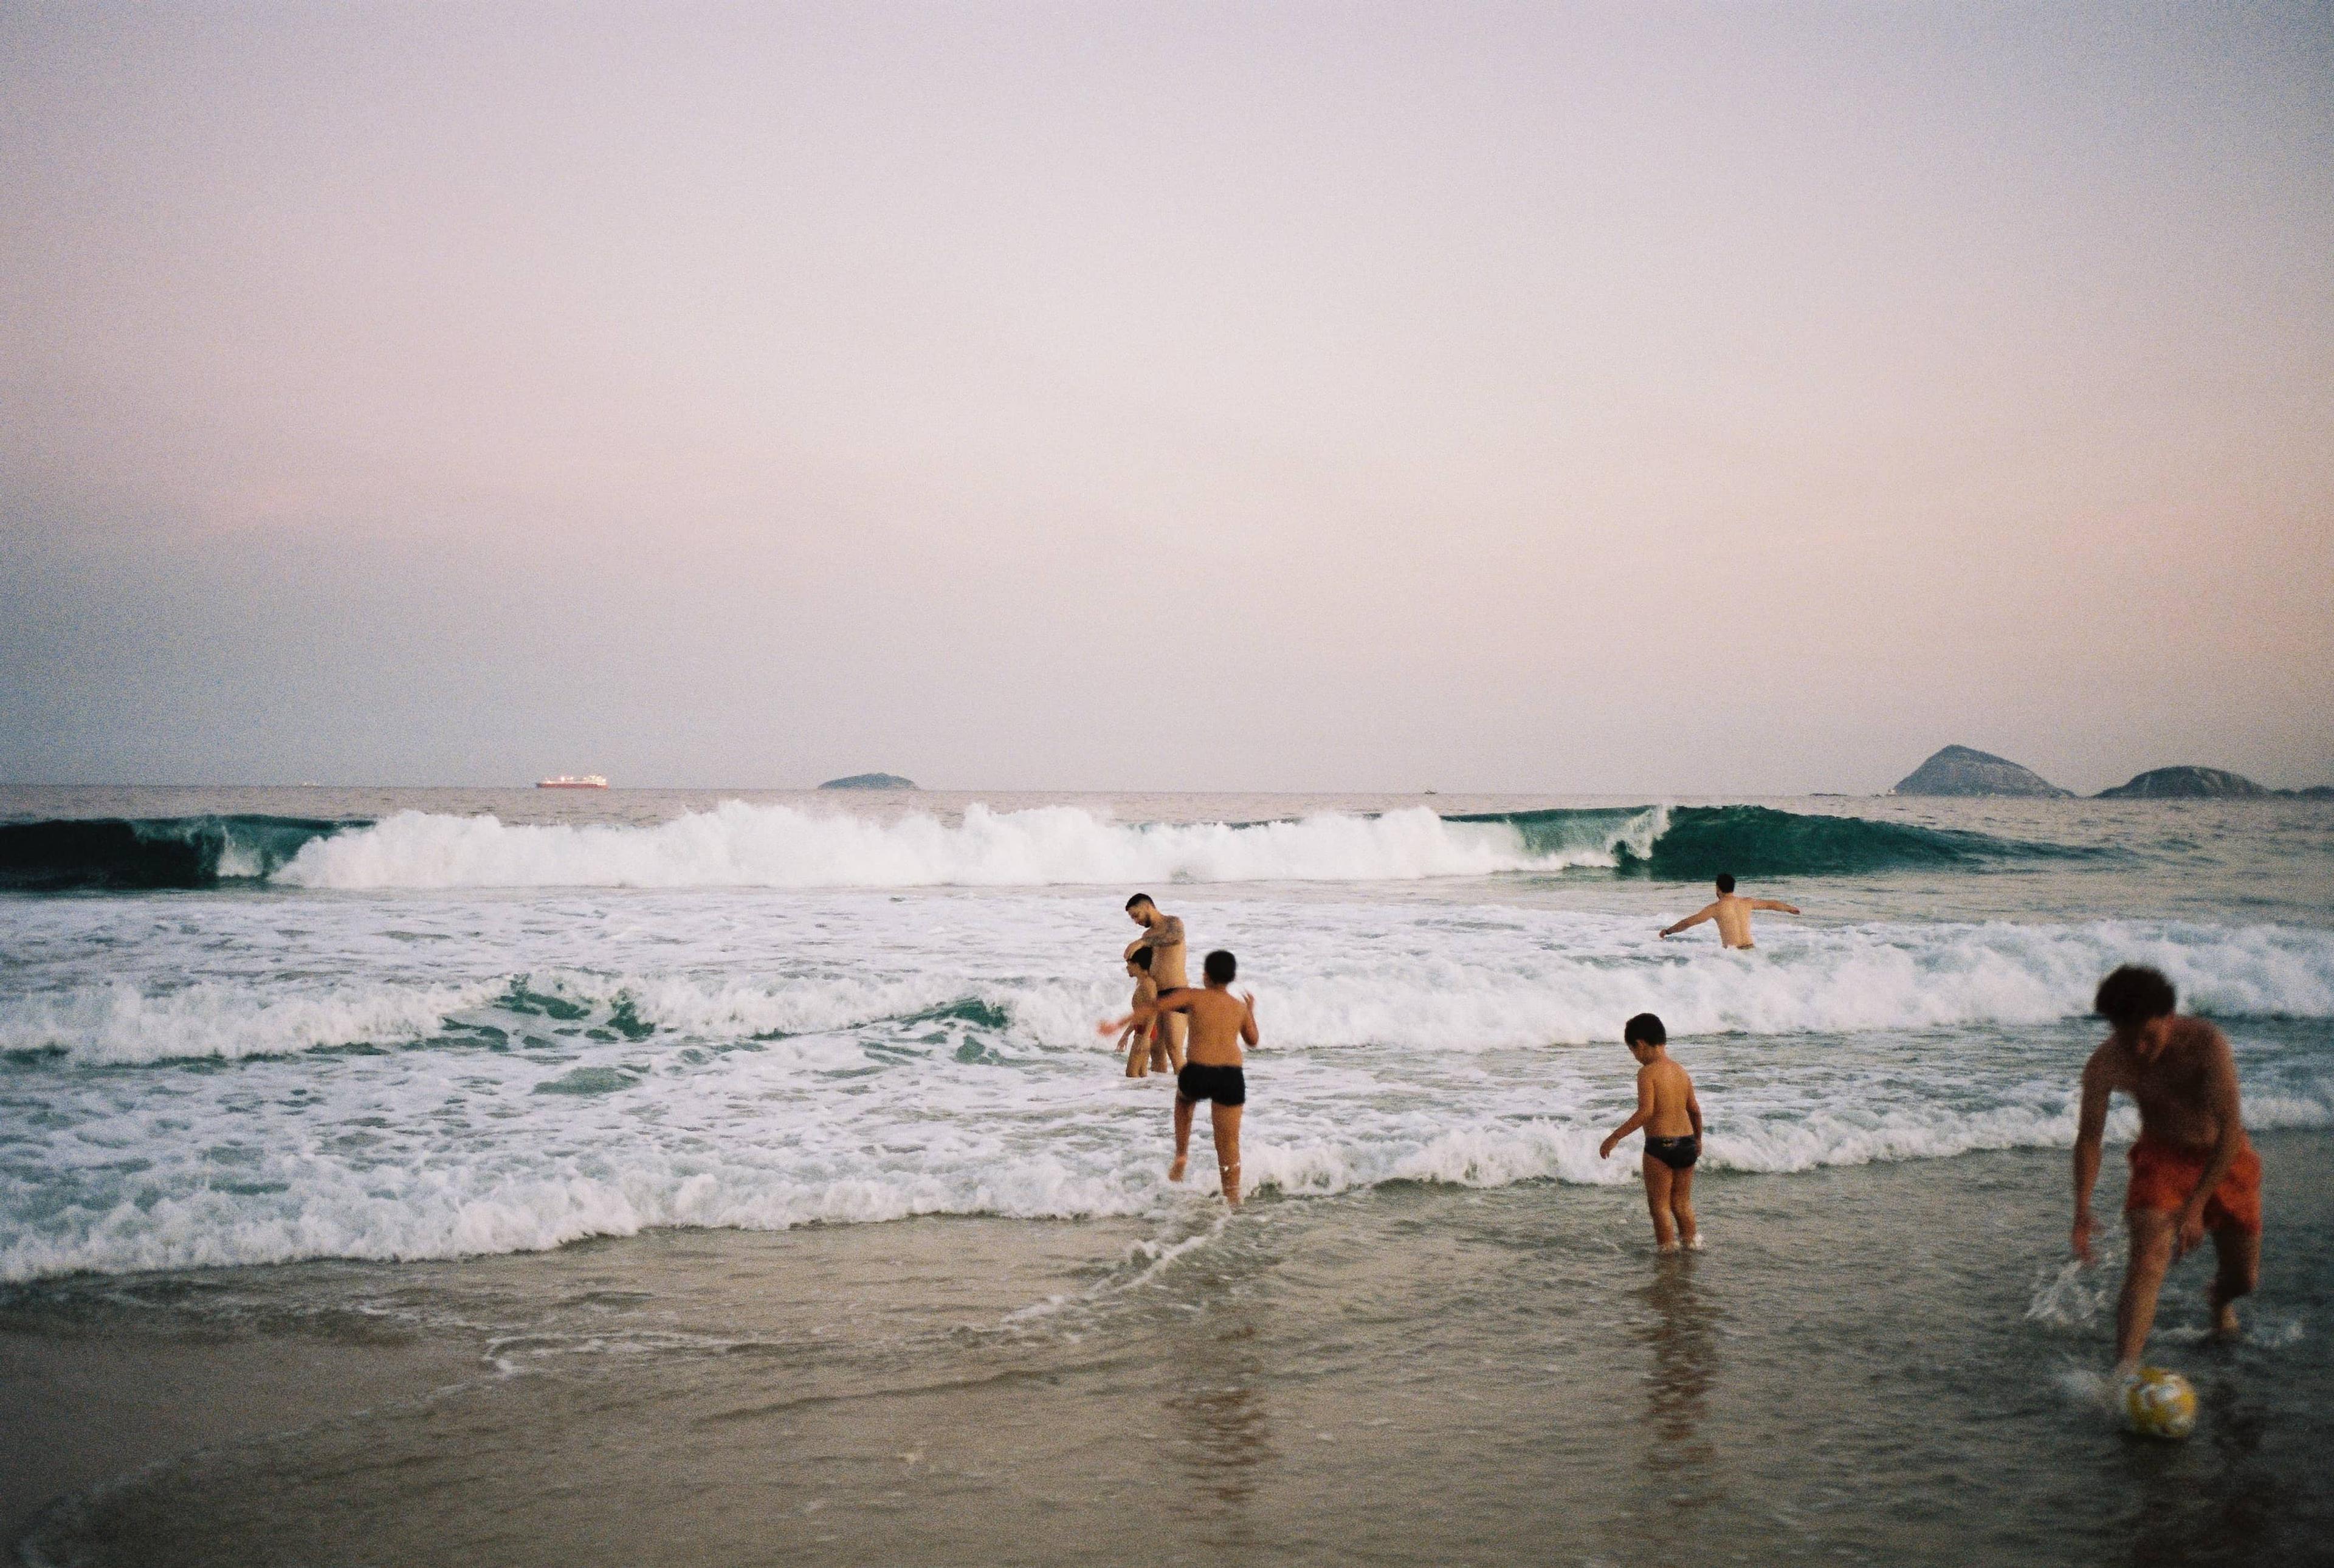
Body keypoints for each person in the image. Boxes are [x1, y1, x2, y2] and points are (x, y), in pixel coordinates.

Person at [2072, 965, 2259, 1375]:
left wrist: (2196, 1206)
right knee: (2148, 1256)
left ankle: (2219, 1300)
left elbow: (2231, 1131)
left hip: (2224, 1159)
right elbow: (2089, 1139)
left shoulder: (2207, 1044)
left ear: (2170, 1018)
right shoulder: (2106, 1063)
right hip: (2161, 1161)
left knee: (2244, 1279)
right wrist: (2082, 1208)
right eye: (2127, 1036)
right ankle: (2124, 1372)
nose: (2138, 1048)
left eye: (2148, 1035)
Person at [1142, 949, 1258, 1207]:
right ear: (1231, 978)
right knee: (1228, 1145)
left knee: (1184, 1100)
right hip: (1230, 1076)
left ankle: (1182, 1154)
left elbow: (1155, 1006)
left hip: (1198, 1071)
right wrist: (1250, 1011)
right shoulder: (1239, 1007)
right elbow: (1253, 1040)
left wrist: (1118, 1025)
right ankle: (1233, 1198)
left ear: (1205, 976)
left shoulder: (1194, 996)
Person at [1599, 1012, 1703, 1252]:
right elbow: (1695, 1111)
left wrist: (1615, 1137)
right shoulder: (1681, 1071)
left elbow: (1646, 1112)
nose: (1635, 1057)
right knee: (1682, 1203)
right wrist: (1698, 1139)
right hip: (1687, 1143)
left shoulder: (1647, 1073)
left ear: (1641, 1045)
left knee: (1660, 1207)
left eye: (1633, 1051)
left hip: (1660, 1145)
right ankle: (1692, 1246)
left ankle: (1667, 1255)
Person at [1124, 893, 1188, 1071]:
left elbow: (1175, 937)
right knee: (1156, 1053)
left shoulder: (1173, 923)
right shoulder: (1148, 934)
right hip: (1156, 995)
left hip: (1176, 992)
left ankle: (1189, 1094)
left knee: (1174, 1050)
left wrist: (1142, 942)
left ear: (1147, 907)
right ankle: (1156, 1096)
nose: (1135, 921)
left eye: (1136, 915)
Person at [1658, 873, 1799, 950]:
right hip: (1752, 951)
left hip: (1734, 956)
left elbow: (1689, 922)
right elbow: (1771, 904)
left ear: (1718, 889)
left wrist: (1668, 931)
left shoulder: (1715, 908)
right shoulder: (1747, 903)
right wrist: (1789, 908)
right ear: (1733, 888)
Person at [1095, 947, 1169, 1078]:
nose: (1127, 968)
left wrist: (1145, 1037)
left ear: (1137, 965)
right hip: (1142, 1031)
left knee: (1131, 1074)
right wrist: (1126, 1035)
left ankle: (1139, 1097)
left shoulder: (1148, 985)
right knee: (1141, 1075)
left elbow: (1153, 1011)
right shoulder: (1142, 983)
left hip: (1145, 1033)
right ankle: (1147, 1097)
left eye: (1129, 964)